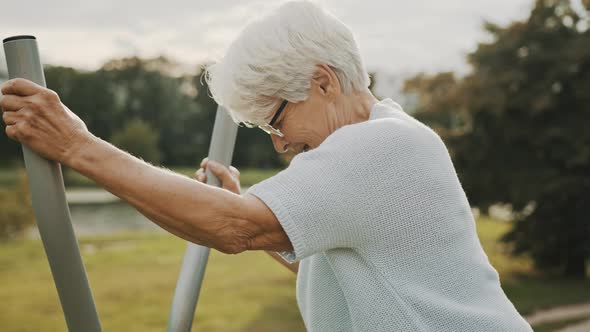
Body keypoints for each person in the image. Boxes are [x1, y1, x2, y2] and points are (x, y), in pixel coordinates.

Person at [0, 1, 533, 331]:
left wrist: (77, 146)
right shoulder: (385, 143)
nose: (279, 144)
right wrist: (248, 217)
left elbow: (234, 229)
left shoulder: (381, 147)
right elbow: (333, 263)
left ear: (323, 82)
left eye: (276, 120)